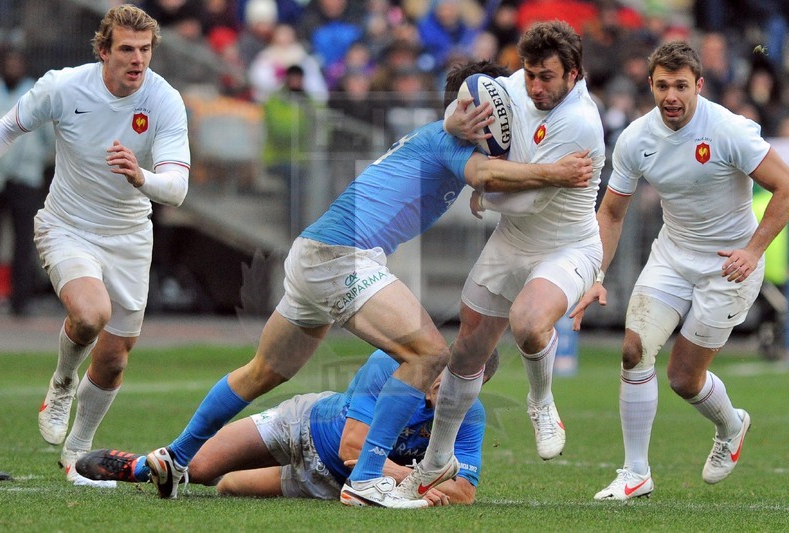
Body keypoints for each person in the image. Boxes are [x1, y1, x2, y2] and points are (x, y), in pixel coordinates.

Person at [134, 59, 593, 507]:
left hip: (315, 251)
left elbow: (486, 177)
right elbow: (487, 173)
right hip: (342, 256)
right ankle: (368, 479)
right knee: (429, 355)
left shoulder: (444, 139)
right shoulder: (449, 140)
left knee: (264, 370)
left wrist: (488, 193)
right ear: (477, 107)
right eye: (504, 107)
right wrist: (557, 172)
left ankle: (176, 456)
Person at [390, 20, 605, 503]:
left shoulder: (581, 122)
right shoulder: (509, 87)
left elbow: (527, 201)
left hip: (568, 245)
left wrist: (485, 188)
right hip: (511, 240)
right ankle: (435, 462)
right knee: (466, 352)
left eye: (547, 77)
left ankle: (541, 401)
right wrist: (457, 128)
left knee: (528, 323)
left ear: (573, 74)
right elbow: (458, 107)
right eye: (529, 73)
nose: (535, 86)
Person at [570, 41, 789, 500]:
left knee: (683, 378)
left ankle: (731, 425)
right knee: (633, 350)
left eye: (681, 86)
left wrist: (753, 251)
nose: (671, 96)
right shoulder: (636, 138)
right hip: (672, 256)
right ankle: (635, 473)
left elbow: (784, 187)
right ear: (650, 85)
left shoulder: (728, 130)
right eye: (663, 86)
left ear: (699, 86)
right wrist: (595, 276)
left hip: (729, 267)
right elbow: (611, 213)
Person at [0, 4, 190, 487]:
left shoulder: (164, 100)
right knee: (90, 314)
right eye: (127, 49)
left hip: (130, 236)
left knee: (115, 359)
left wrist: (141, 177)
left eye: (145, 50)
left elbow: (177, 188)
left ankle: (77, 453)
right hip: (67, 226)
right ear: (103, 50)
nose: (137, 59)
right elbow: (7, 127)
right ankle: (62, 382)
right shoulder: (63, 87)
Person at [77, 348, 499, 505]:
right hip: (303, 425)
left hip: (330, 484)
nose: (449, 393)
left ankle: (230, 471)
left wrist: (419, 482)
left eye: (465, 390)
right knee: (200, 468)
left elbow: (464, 492)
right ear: (443, 364)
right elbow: (353, 448)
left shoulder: (469, 415)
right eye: (448, 380)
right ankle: (135, 466)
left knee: (227, 487)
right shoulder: (389, 365)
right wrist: (419, 480)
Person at [0, 48, 54, 316]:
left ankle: (21, 300)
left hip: (26, 177)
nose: (12, 67)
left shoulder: (35, 92)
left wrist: (35, 158)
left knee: (24, 240)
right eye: (8, 63)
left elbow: (50, 138)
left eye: (17, 63)